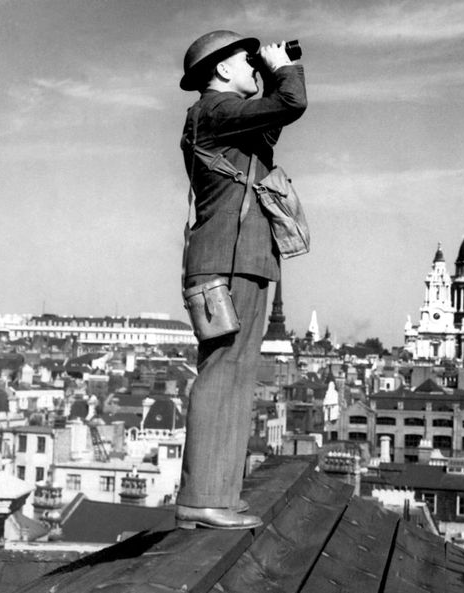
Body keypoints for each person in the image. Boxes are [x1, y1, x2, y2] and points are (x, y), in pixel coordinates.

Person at [175, 30, 307, 530]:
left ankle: (220, 497)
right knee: (221, 375)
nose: (254, 66)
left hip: (244, 260)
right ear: (223, 70)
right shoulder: (212, 110)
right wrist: (279, 69)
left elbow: (272, 122)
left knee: (236, 379)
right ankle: (202, 498)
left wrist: (268, 76)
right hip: (227, 263)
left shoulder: (229, 122)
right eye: (245, 60)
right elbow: (291, 102)